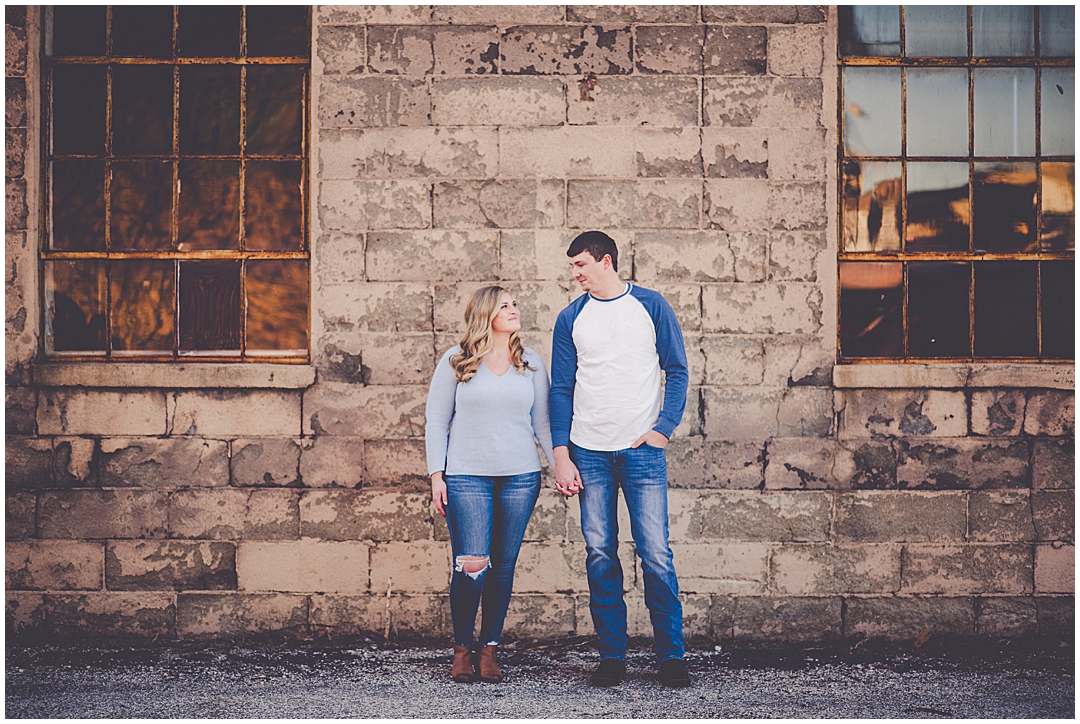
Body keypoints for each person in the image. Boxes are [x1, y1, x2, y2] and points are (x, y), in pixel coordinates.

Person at [549, 231, 691, 688]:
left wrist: (662, 428)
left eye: (581, 266)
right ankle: (612, 656)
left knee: (655, 554)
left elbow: (677, 369)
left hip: (641, 452)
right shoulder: (571, 318)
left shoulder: (651, 306)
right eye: (573, 267)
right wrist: (561, 453)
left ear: (605, 261)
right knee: (599, 554)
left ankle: (671, 656)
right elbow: (561, 389)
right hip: (589, 452)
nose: (575, 274)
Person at [425, 285, 555, 684]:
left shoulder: (530, 362)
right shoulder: (455, 361)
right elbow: (436, 421)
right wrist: (436, 476)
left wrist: (561, 466)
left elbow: (544, 424)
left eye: (516, 303)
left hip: (520, 476)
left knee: (503, 568)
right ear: (485, 313)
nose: (515, 309)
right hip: (466, 476)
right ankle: (461, 648)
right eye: (505, 305)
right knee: (472, 564)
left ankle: (490, 650)